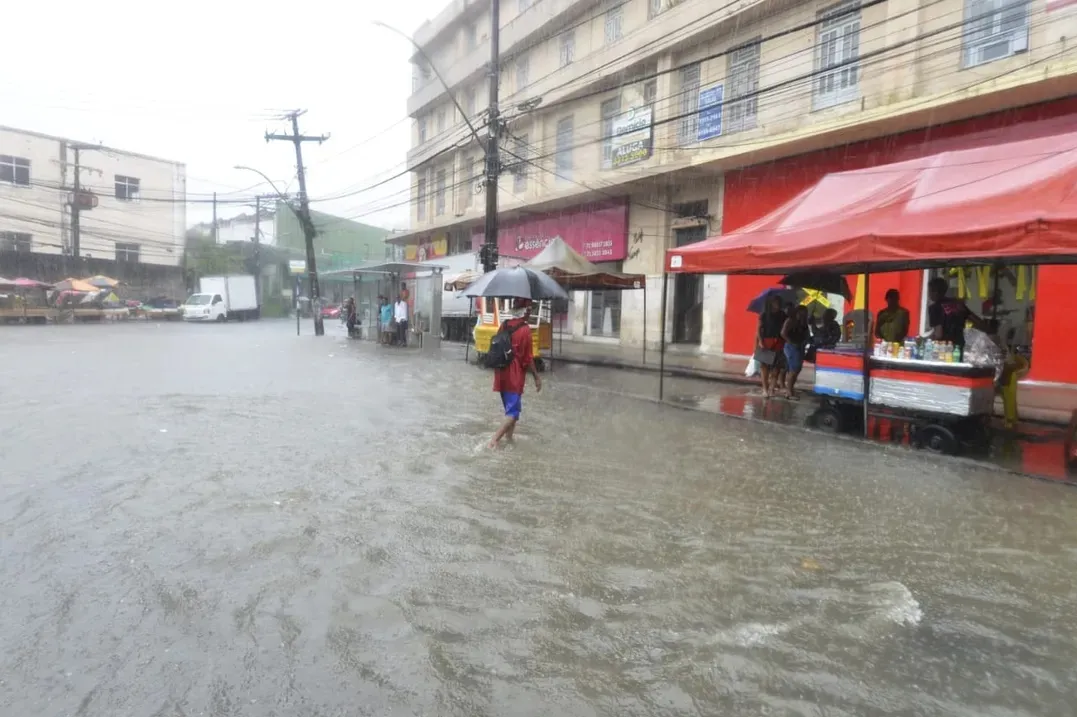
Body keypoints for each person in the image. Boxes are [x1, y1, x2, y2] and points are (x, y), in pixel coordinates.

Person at [489, 299, 542, 448]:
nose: (530, 312)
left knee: (510, 411)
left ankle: (509, 440)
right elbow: (528, 358)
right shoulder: (525, 330)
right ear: (524, 311)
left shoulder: (504, 325)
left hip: (500, 374)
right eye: (529, 309)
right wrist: (537, 377)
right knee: (513, 413)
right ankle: (494, 441)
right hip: (514, 375)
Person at [927, 277, 986, 348]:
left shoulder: (934, 307)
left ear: (935, 292)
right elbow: (978, 322)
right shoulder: (958, 304)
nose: (929, 294)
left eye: (929, 291)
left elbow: (938, 334)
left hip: (943, 348)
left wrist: (925, 340)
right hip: (959, 346)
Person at [756, 295, 786, 398]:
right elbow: (759, 329)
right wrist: (760, 341)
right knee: (764, 367)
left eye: (778, 302)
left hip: (778, 341)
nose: (777, 304)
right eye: (775, 302)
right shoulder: (764, 315)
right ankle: (764, 389)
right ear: (770, 303)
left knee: (776, 367)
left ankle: (772, 389)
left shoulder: (783, 315)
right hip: (766, 341)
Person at [781, 305, 811, 400]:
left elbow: (807, 334)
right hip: (791, 347)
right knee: (793, 369)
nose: (802, 315)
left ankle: (791, 388)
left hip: (800, 346)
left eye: (804, 313)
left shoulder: (804, 323)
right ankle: (789, 391)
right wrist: (792, 342)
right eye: (800, 313)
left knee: (797, 369)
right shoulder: (790, 321)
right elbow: (783, 333)